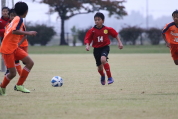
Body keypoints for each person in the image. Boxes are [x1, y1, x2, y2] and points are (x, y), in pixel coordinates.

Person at [0, 2, 37, 96]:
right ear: (25, 11)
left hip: (14, 47)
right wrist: (29, 33)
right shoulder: (19, 19)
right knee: (12, 73)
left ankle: (19, 85)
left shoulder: (15, 19)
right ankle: (2, 87)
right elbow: (14, 31)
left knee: (30, 63)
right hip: (7, 49)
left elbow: (9, 32)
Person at [84, 12, 123, 85]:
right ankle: (102, 75)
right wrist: (87, 45)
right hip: (96, 49)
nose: (97, 21)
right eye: (95, 20)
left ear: (103, 21)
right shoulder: (92, 30)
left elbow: (115, 34)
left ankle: (110, 77)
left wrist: (119, 42)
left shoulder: (107, 29)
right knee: (100, 67)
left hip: (105, 47)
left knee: (103, 59)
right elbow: (88, 38)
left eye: (98, 19)